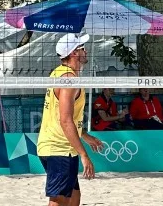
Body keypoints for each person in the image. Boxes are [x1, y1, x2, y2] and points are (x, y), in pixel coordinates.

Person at [37, 33, 103, 206]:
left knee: (74, 197)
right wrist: (84, 154)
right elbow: (65, 121)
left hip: (57, 146)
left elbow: (65, 117)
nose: (85, 51)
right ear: (74, 53)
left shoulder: (59, 74)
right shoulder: (68, 80)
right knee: (59, 200)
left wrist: (86, 137)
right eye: (82, 48)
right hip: (59, 148)